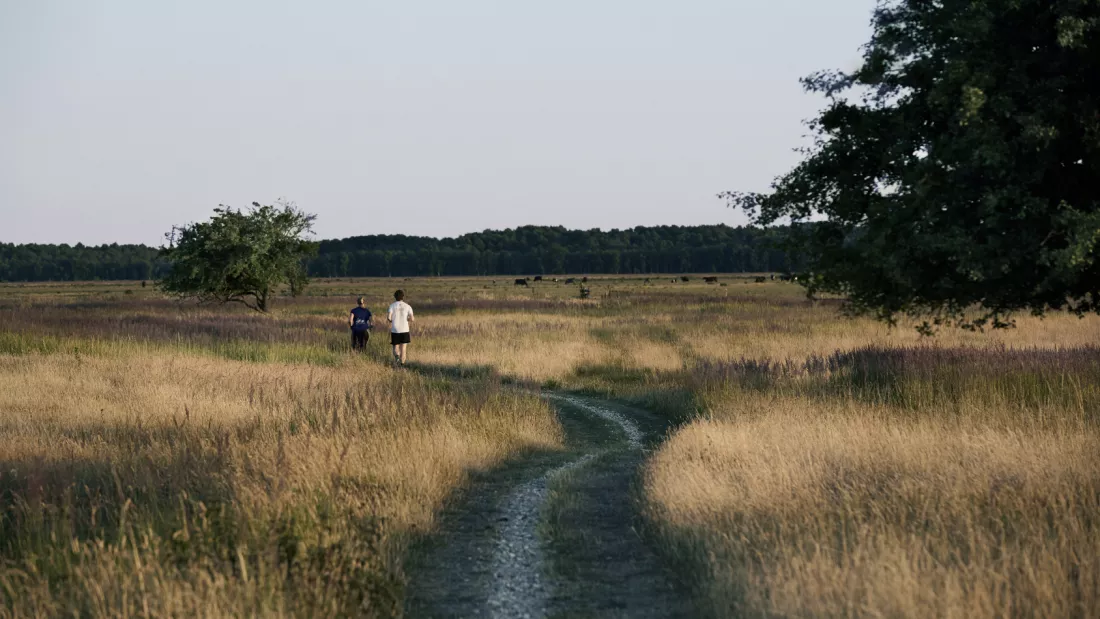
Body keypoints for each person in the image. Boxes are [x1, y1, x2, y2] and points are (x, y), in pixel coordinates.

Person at [386, 289, 414, 365]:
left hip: (395, 329)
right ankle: (402, 364)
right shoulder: (408, 306)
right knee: (403, 348)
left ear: (395, 297)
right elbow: (412, 319)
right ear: (403, 297)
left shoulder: (392, 306)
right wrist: (407, 319)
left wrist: (392, 321)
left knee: (395, 347)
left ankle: (397, 357)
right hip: (405, 329)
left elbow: (389, 317)